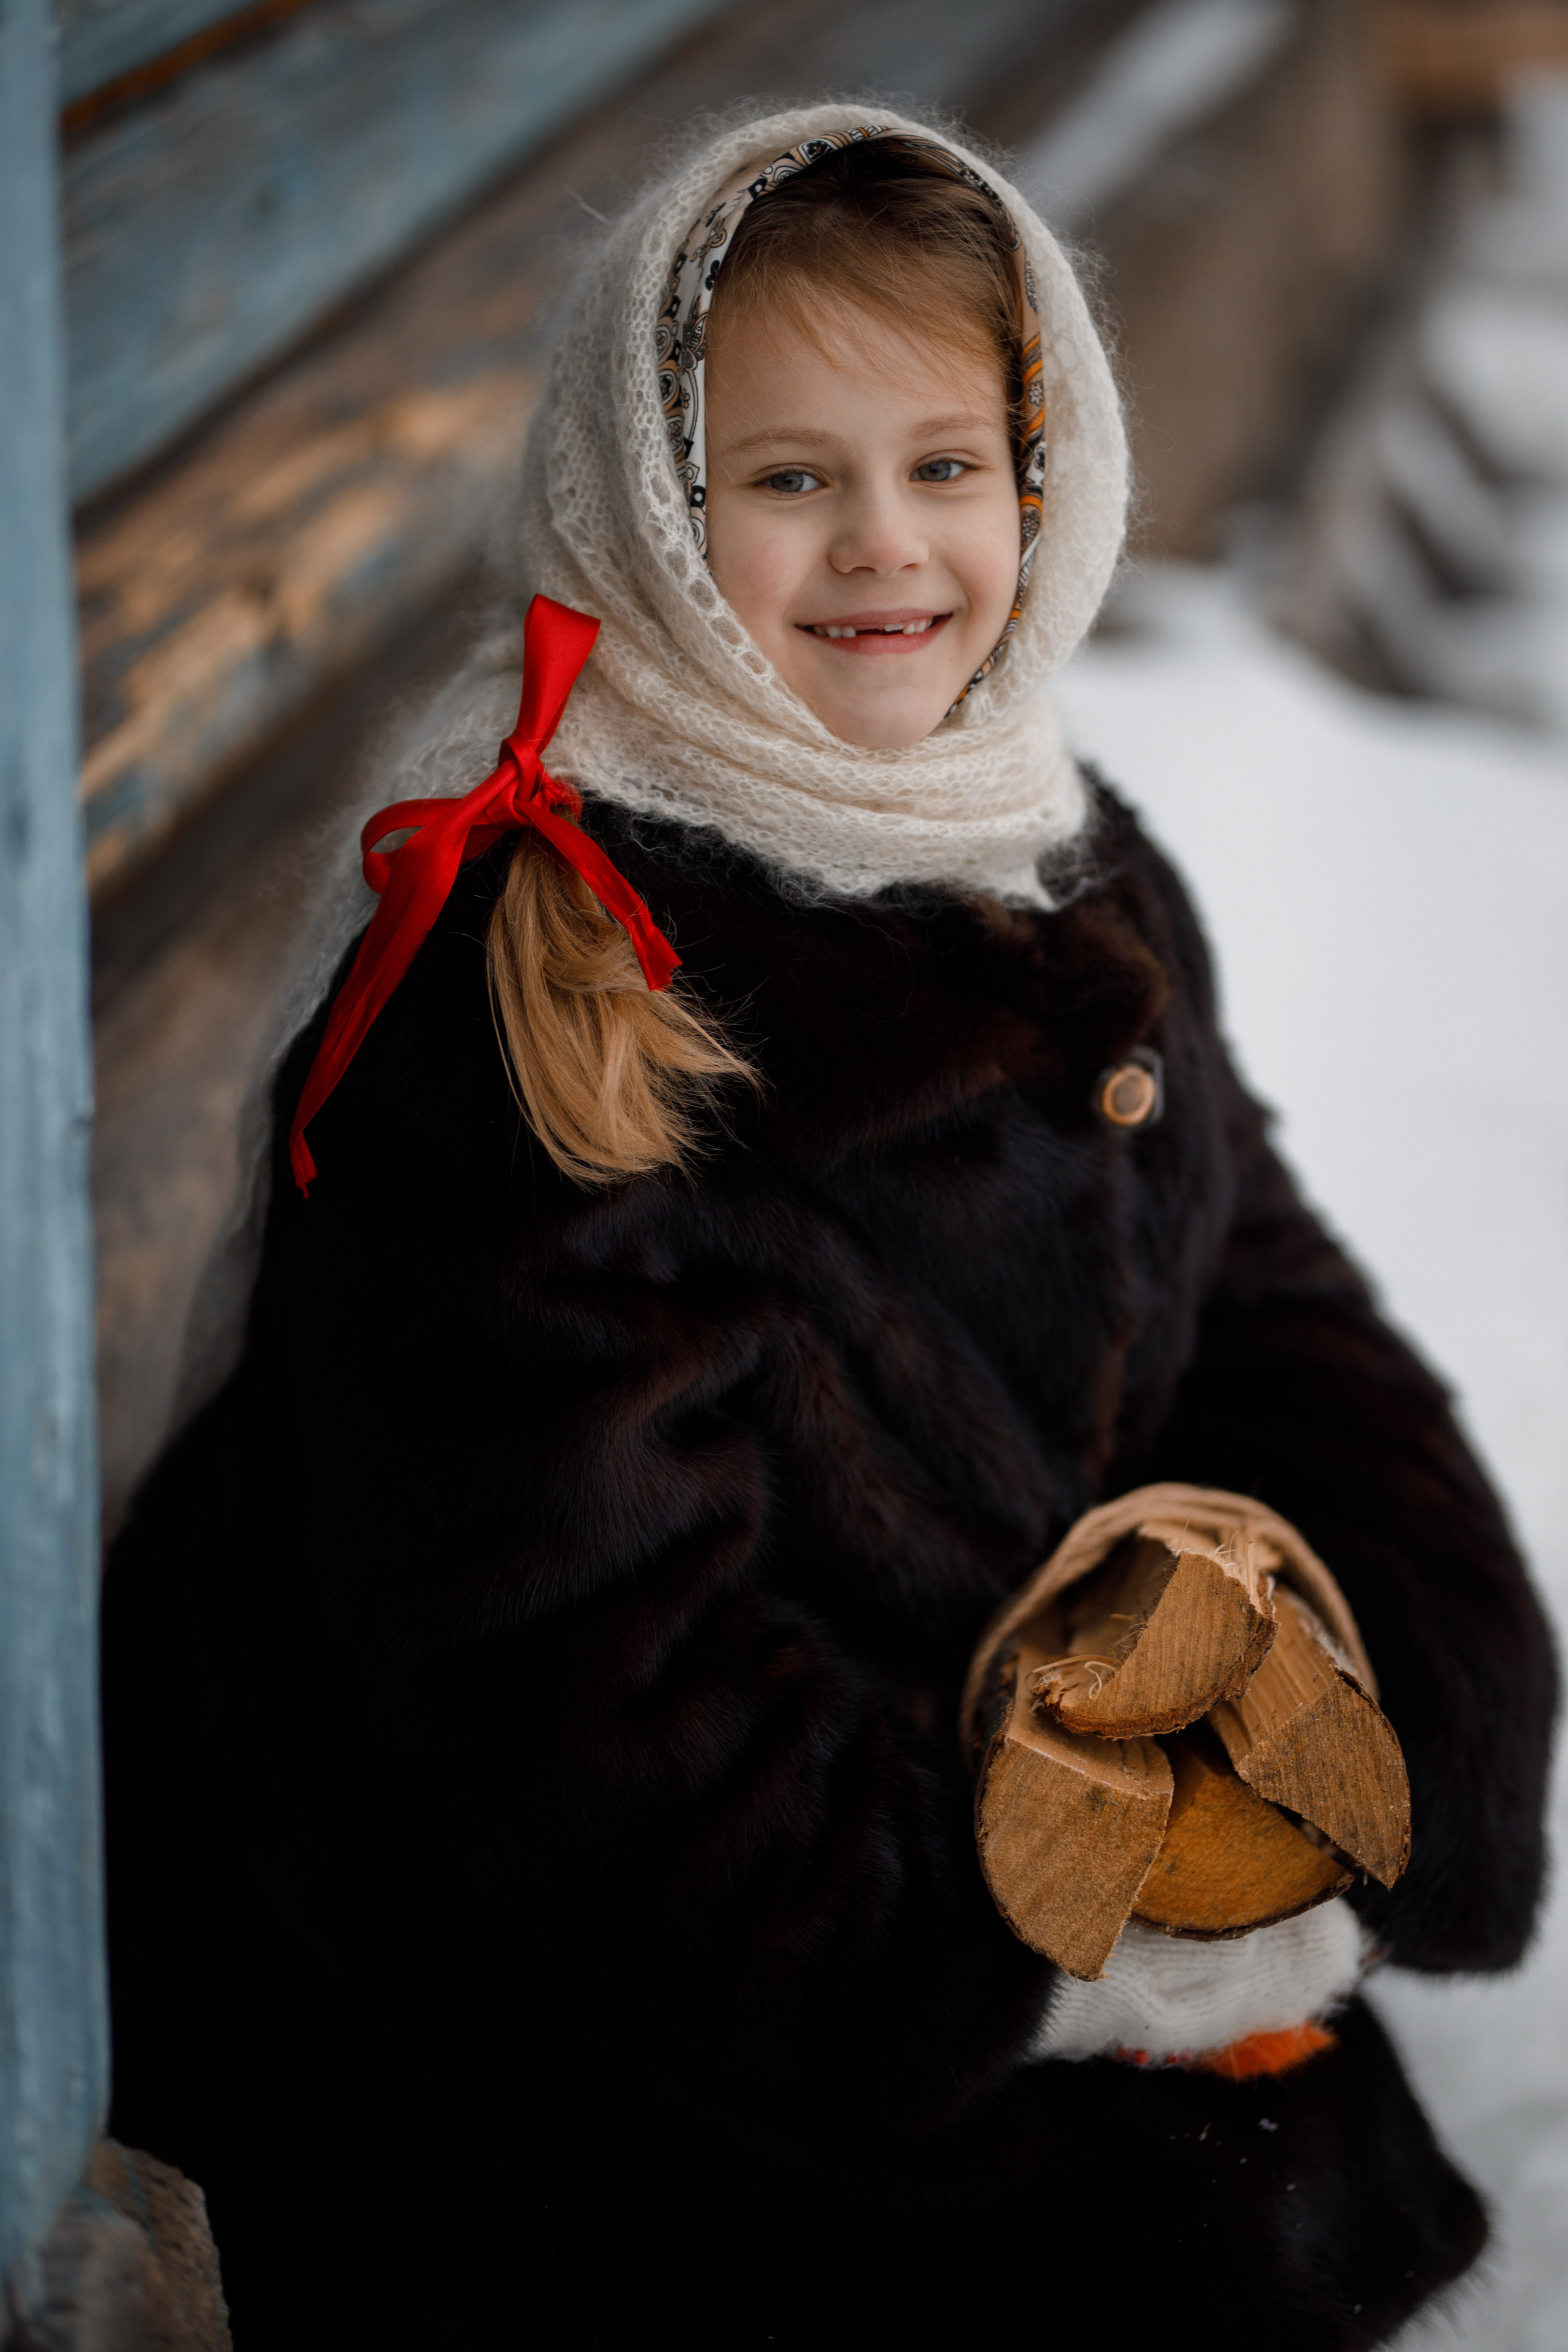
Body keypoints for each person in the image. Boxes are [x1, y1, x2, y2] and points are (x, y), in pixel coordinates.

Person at [102, 108, 1555, 2350]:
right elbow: (570, 1691)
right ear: (649, 517)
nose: (889, 548)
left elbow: (1260, 1283)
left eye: (947, 465)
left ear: (1040, 478)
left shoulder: (1053, 841)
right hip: (608, 1984)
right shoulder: (549, 965)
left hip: (962, 1802)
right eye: (787, 478)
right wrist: (1068, 1945)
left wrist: (1412, 1703)